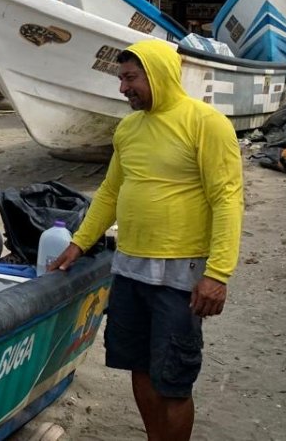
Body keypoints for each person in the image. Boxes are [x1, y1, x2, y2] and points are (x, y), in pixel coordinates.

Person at [49, 40, 243, 441]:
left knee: (173, 377)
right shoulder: (128, 129)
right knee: (138, 365)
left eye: (131, 78)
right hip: (130, 269)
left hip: (181, 276)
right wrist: (79, 243)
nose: (123, 88)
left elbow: (227, 199)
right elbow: (111, 192)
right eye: (121, 79)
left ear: (159, 75)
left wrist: (218, 273)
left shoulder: (206, 123)